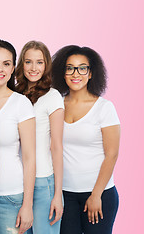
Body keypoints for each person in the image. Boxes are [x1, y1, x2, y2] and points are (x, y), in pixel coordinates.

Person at [51, 45, 120, 234]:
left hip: (99, 194)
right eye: (70, 68)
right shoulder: (56, 105)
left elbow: (112, 154)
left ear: (90, 74)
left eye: (82, 68)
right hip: (64, 194)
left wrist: (96, 194)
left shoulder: (104, 108)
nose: (76, 73)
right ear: (62, 73)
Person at [0, 39, 36, 234]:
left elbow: (29, 158)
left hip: (11, 197)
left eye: (6, 64)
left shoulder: (21, 104)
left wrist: (27, 205)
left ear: (13, 68)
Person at [16, 41, 64, 233]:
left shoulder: (52, 97)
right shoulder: (15, 95)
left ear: (46, 66)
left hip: (43, 182)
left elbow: (57, 146)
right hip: (17, 182)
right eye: (28, 62)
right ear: (21, 64)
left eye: (39, 62)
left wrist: (57, 194)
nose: (33, 68)